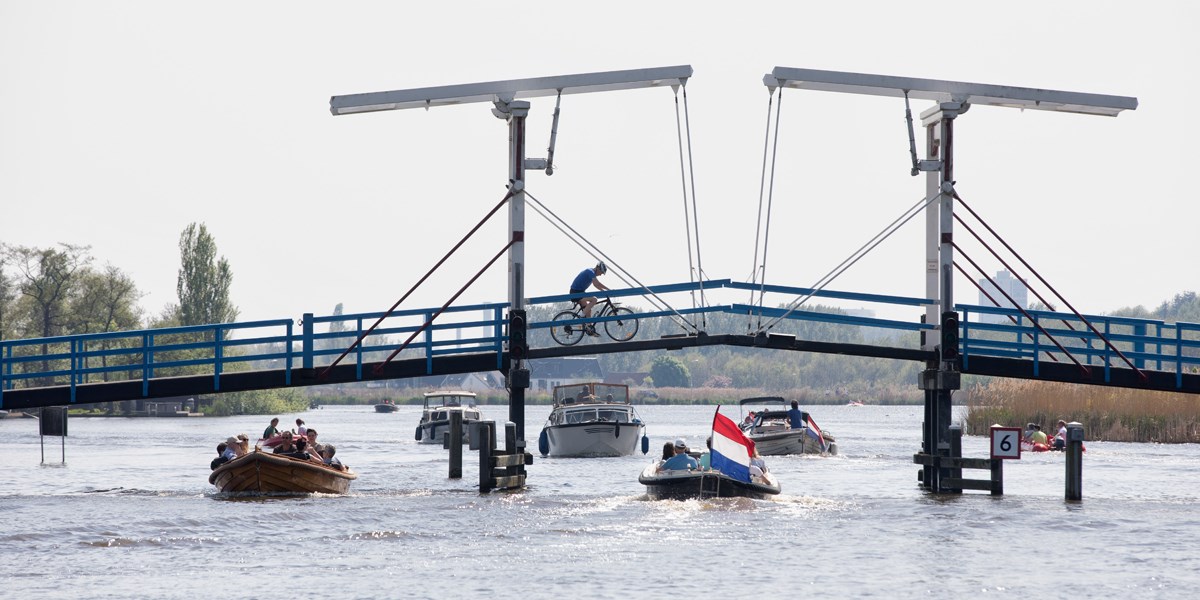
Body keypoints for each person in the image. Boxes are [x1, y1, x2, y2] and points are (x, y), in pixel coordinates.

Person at [568, 261, 610, 336]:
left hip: (580, 292)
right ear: (597, 268)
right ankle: (581, 317)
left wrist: (605, 291)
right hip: (575, 293)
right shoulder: (590, 272)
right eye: (601, 272)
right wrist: (608, 290)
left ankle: (589, 328)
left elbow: (597, 285)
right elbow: (597, 284)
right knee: (594, 299)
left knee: (588, 310)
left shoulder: (592, 273)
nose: (600, 274)